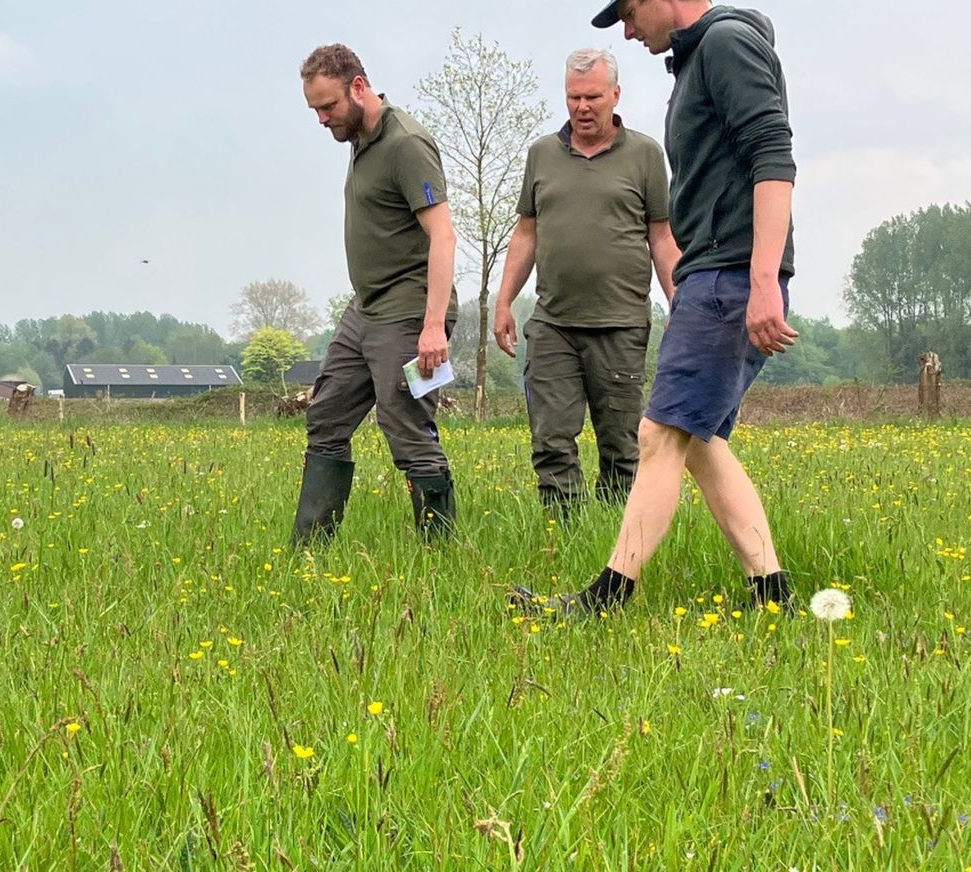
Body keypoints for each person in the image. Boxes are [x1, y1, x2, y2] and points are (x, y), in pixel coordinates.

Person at [515, 0, 800, 614]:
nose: (626, 27)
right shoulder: (700, 57)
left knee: (659, 434)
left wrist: (762, 281)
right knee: (695, 439)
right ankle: (771, 591)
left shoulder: (725, 44)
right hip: (713, 271)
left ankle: (606, 598)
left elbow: (773, 156)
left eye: (629, 9)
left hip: (728, 271)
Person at [495, 48, 680, 517]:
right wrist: (503, 302)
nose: (582, 107)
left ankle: (620, 541)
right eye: (573, 97)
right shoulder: (542, 154)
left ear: (615, 95)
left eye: (592, 96)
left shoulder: (644, 155)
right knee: (551, 437)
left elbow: (662, 238)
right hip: (554, 323)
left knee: (621, 444)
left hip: (620, 326)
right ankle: (564, 535)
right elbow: (526, 232)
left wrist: (681, 303)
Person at [292, 44, 460, 544]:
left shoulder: (406, 143)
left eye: (329, 107)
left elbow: (444, 236)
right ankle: (311, 550)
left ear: (359, 88)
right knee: (326, 412)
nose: (322, 120)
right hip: (365, 309)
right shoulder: (359, 138)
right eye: (315, 110)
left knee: (406, 426)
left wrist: (433, 326)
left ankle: (440, 551)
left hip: (408, 312)